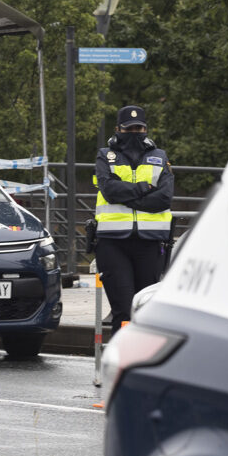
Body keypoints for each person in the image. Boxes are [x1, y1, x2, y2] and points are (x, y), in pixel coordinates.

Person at [93, 105, 173, 327]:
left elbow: (164, 198)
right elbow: (109, 191)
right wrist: (146, 187)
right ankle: (121, 362)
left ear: (146, 129)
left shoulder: (159, 156)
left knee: (146, 313)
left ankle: (143, 361)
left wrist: (127, 195)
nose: (135, 132)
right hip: (113, 243)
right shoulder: (105, 156)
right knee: (124, 312)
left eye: (139, 128)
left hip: (150, 243)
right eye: (129, 129)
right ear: (118, 128)